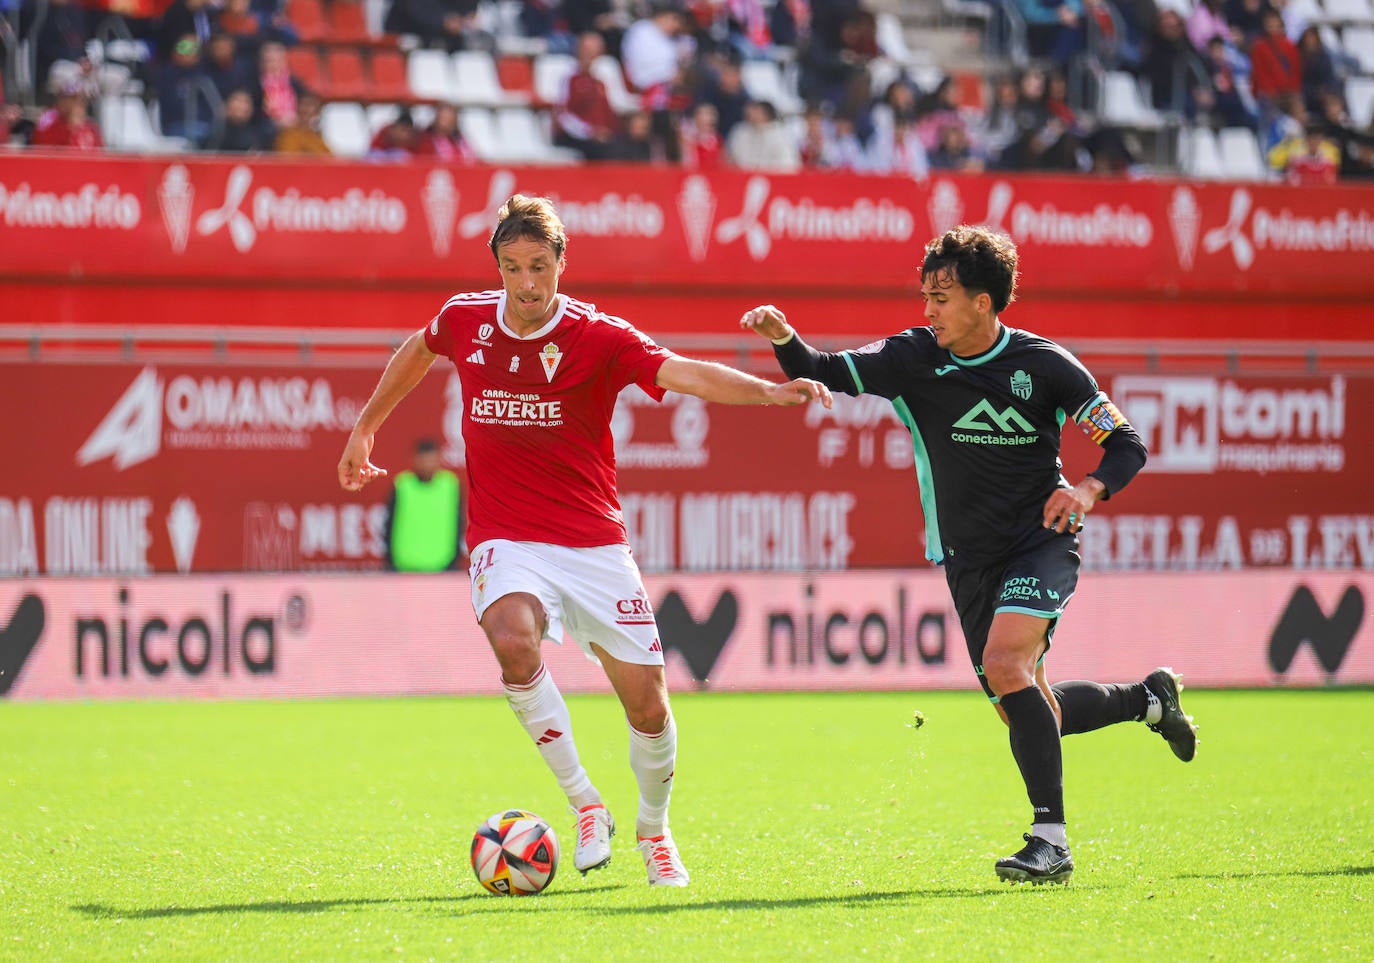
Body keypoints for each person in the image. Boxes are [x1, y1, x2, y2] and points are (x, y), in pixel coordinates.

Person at [338, 193, 831, 887]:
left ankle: (654, 830)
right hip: (506, 536)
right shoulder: (466, 319)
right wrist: (366, 426)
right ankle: (586, 803)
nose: (527, 283)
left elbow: (685, 373)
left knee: (650, 707)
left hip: (593, 544)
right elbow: (417, 352)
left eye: (539, 266)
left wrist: (771, 392)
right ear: (498, 268)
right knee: (512, 639)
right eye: (513, 267)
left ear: (562, 263)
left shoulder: (597, 336)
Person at [740, 225, 1197, 886]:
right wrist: (784, 339)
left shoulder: (1047, 367)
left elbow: (1125, 442)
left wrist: (1089, 487)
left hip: (1041, 541)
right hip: (966, 558)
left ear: (984, 303)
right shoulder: (913, 356)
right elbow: (823, 369)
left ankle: (1051, 840)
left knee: (1005, 661)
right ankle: (1147, 700)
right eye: (926, 296)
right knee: (1028, 705)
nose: (929, 311)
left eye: (941, 298)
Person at [383, 437, 465, 572]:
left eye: (431, 459)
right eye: (423, 460)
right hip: (403, 567)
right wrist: (390, 561)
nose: (427, 464)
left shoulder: (450, 485)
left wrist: (454, 561)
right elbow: (388, 525)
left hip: (444, 566)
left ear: (438, 459)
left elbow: (459, 523)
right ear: (415, 459)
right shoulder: (402, 484)